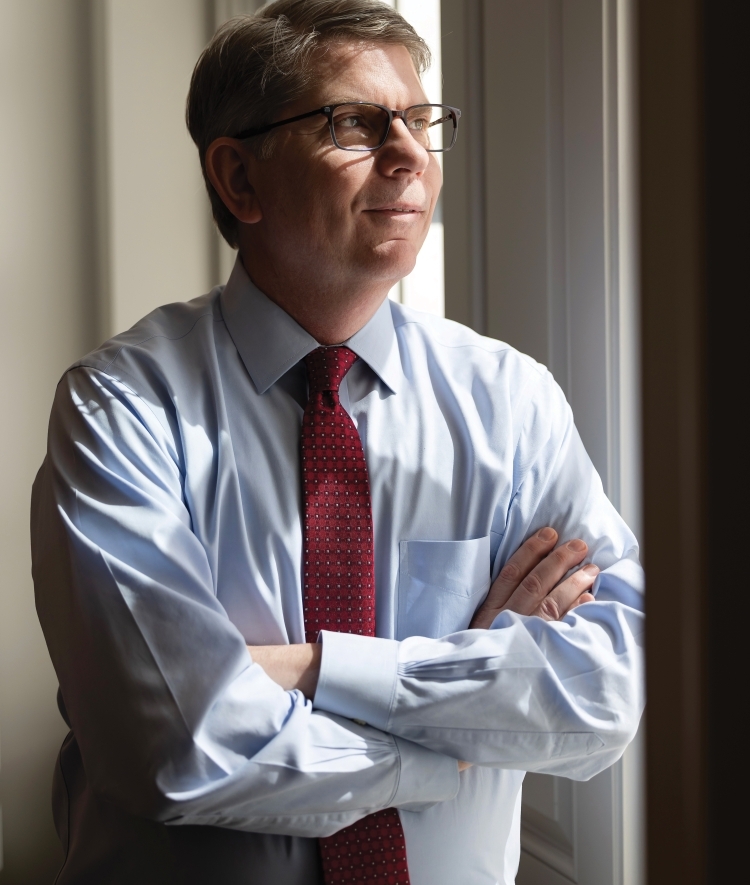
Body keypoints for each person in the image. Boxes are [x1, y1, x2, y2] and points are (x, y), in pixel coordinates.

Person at [31, 1, 644, 883]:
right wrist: (461, 744)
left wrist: (313, 669)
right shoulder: (121, 408)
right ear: (239, 178)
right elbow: (174, 741)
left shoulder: (512, 401)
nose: (408, 155)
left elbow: (608, 687)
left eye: (420, 120)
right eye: (353, 123)